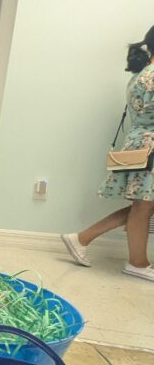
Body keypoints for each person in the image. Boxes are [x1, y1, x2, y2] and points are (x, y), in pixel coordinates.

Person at [62, 25, 154, 282]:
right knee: (143, 206)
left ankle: (83, 238)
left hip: (140, 143)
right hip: (150, 146)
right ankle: (136, 262)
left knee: (143, 206)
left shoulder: (141, 74)